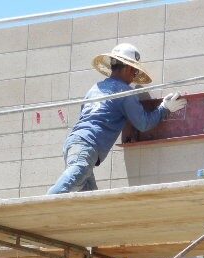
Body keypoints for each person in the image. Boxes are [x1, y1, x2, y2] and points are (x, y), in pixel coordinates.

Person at [47, 43, 187, 194]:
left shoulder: (95, 88)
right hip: (87, 147)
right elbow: (143, 123)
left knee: (90, 200)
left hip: (74, 143)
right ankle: (44, 208)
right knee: (65, 186)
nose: (134, 77)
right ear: (127, 67)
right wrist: (164, 108)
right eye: (134, 71)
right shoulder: (124, 92)